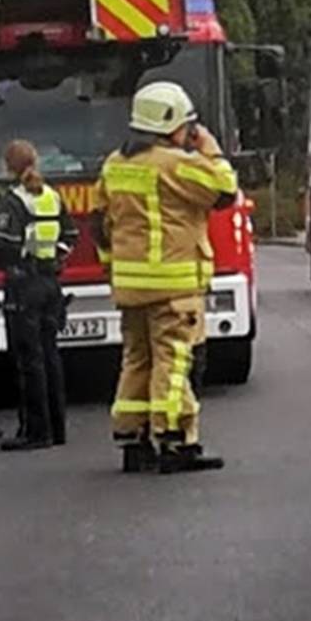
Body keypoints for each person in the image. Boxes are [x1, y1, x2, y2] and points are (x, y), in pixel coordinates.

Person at [97, 81, 238, 474]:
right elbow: (226, 191)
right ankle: (175, 442)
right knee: (174, 361)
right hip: (173, 286)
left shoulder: (115, 164)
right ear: (172, 123)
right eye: (187, 125)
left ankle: (132, 438)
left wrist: (113, 266)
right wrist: (210, 148)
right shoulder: (178, 164)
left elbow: (100, 223)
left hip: (130, 285)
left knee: (136, 360)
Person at [0, 139, 77, 452]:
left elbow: (3, 243)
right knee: (51, 356)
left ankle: (35, 431)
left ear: (9, 166)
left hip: (23, 285)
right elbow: (71, 234)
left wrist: (10, 259)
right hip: (51, 284)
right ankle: (57, 428)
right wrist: (55, 257)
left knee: (29, 361)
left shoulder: (12, 201)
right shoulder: (52, 197)